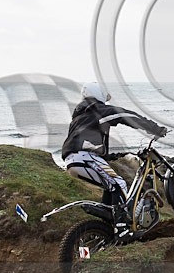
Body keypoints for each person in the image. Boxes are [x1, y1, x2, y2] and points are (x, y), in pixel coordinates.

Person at [62, 81, 167, 240]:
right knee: (119, 183)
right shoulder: (99, 110)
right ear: (99, 94)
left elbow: (83, 140)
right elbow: (126, 116)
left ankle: (106, 226)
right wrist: (153, 128)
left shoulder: (80, 117)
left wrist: (107, 157)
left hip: (72, 161)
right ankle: (122, 229)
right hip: (85, 157)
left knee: (110, 187)